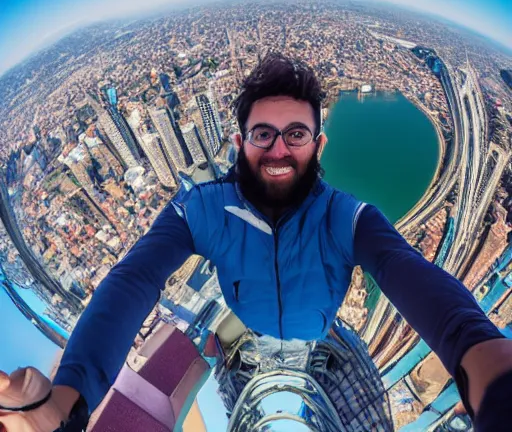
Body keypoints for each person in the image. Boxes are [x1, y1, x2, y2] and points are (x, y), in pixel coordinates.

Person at [1, 52, 512, 431]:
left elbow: (410, 274)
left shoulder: (347, 218)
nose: (279, 149)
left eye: (297, 134)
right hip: (247, 350)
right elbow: (133, 281)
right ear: (239, 142)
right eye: (262, 133)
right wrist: (71, 397)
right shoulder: (200, 210)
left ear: (319, 144)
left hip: (327, 344)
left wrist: (485, 363)